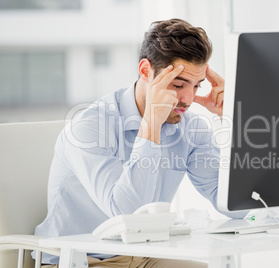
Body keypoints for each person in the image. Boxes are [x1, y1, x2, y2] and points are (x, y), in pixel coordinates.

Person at [34, 18, 245, 268]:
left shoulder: (189, 127)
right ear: (146, 71)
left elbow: (235, 204)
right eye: (178, 84)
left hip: (142, 255)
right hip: (79, 260)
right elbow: (124, 213)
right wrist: (151, 125)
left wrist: (232, 117)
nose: (188, 99)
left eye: (196, 85)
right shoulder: (89, 127)